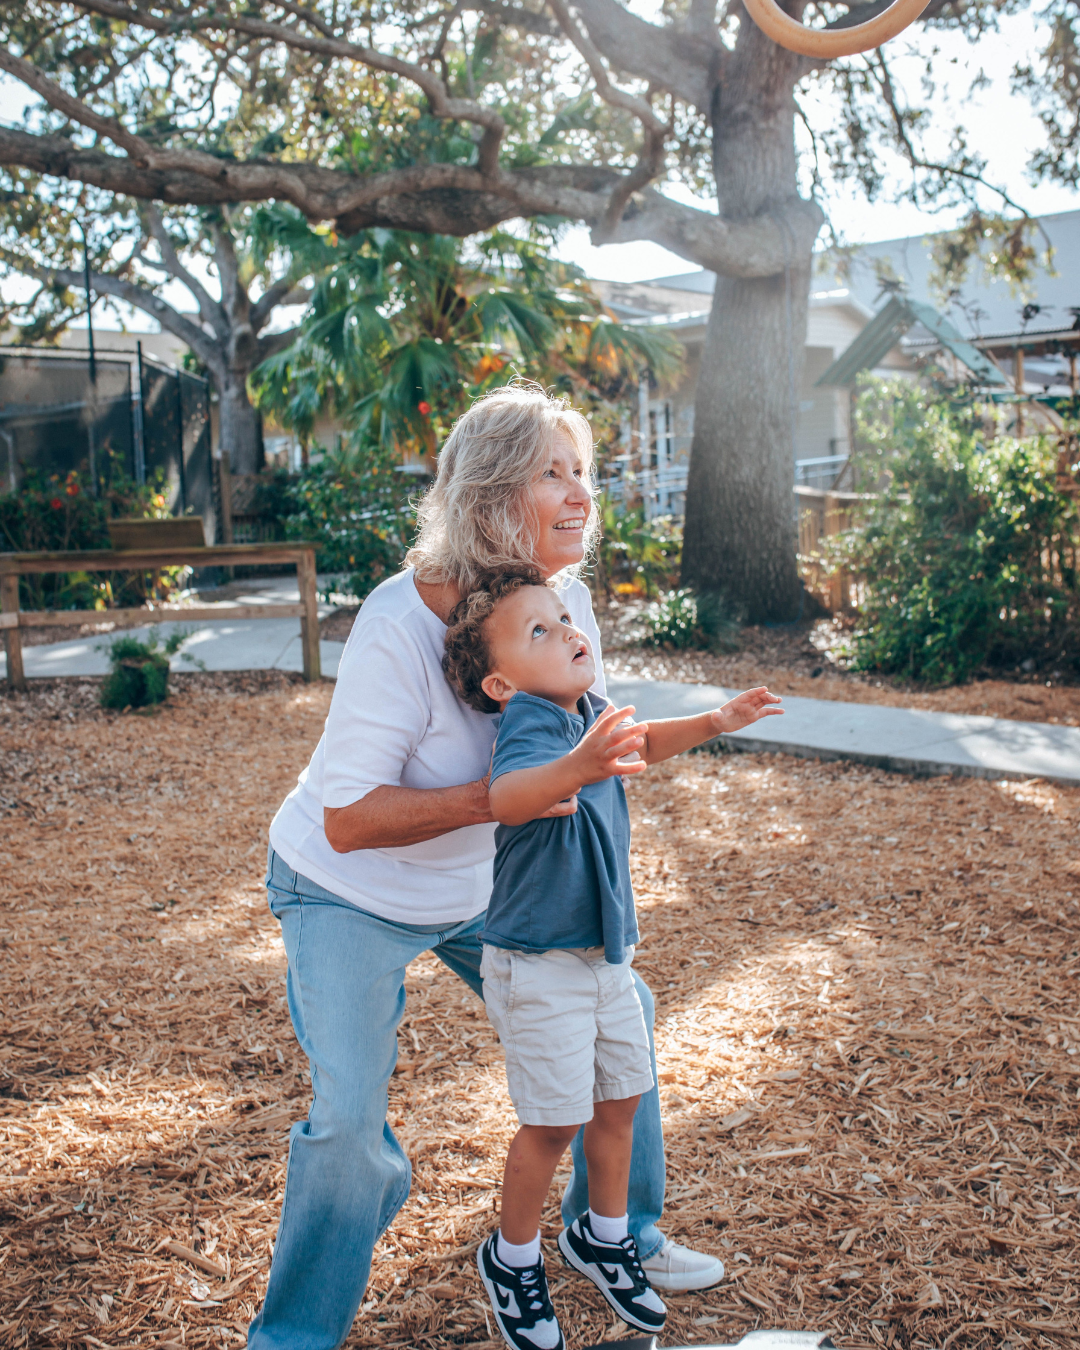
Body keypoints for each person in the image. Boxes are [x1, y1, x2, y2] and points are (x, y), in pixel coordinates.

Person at [250, 383, 731, 1350]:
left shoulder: (563, 602)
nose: (580, 493)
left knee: (621, 1015)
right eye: (552, 472)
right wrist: (501, 802)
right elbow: (346, 821)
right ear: (488, 496)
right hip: (348, 890)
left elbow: (597, 740)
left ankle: (617, 1234)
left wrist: (706, 726)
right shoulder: (400, 623)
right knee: (349, 1125)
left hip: (484, 890)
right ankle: (294, 1337)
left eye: (583, 472)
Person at [442, 574, 783, 1350]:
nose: (566, 631)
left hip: (602, 959)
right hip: (536, 963)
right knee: (553, 1120)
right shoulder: (531, 722)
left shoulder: (585, 712)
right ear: (500, 682)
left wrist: (715, 719)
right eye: (538, 632)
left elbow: (643, 744)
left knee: (621, 1100)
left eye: (562, 619)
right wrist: (577, 768)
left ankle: (604, 1233)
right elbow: (508, 797)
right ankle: (513, 1257)